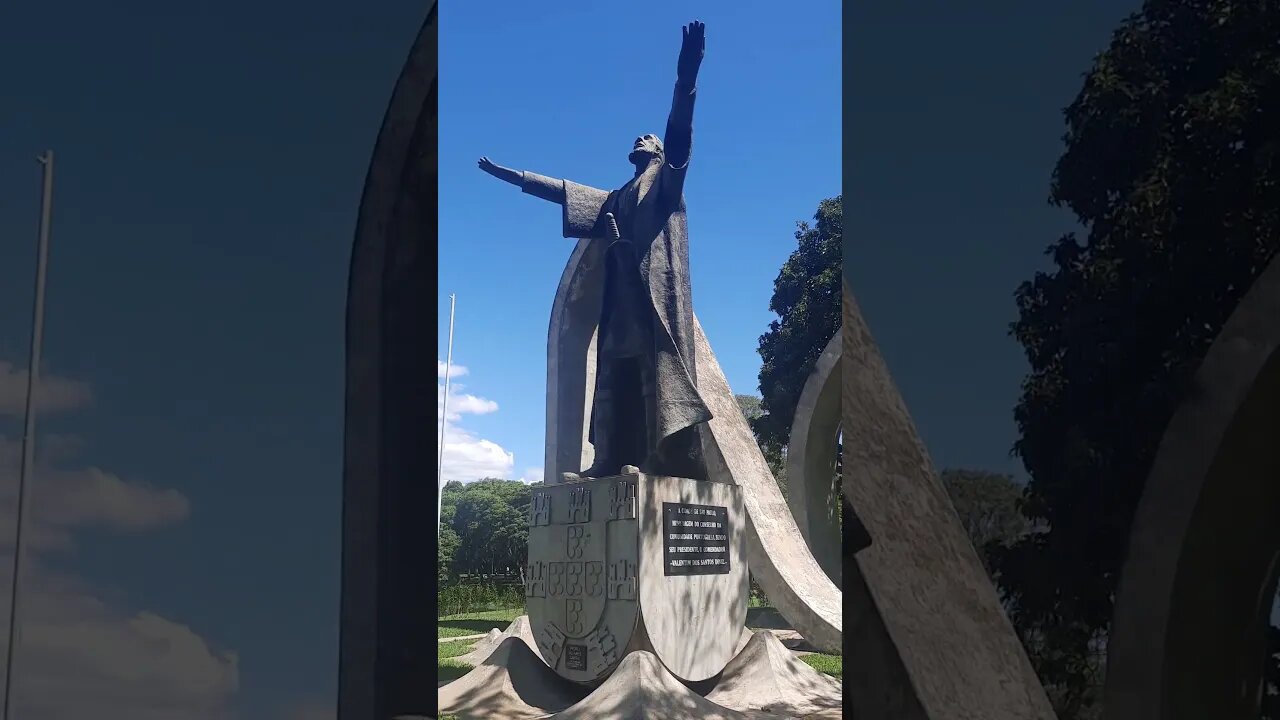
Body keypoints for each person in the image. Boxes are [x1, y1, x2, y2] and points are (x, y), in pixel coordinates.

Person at [476, 21, 713, 480]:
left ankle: (658, 459)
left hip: (652, 301)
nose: (642, 140)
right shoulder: (615, 196)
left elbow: (681, 134)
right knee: (614, 376)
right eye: (641, 138)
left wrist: (686, 81)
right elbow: (563, 191)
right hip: (620, 298)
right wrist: (513, 176)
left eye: (650, 138)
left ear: (659, 151)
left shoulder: (665, 183)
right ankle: (607, 457)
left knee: (651, 375)